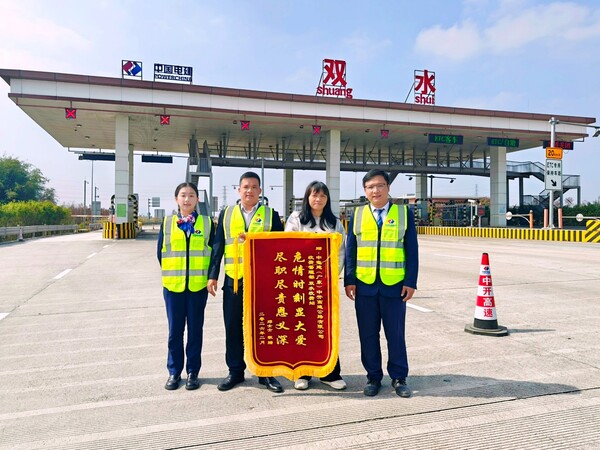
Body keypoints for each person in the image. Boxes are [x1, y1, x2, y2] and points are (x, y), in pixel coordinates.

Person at [207, 171, 285, 393]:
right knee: (233, 326)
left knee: (263, 327)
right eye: (245, 187)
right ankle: (235, 371)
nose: (249, 191)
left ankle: (265, 373)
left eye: (254, 187)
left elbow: (281, 247)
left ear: (260, 191)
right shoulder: (226, 214)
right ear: (238, 190)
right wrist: (213, 275)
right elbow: (218, 246)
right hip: (234, 281)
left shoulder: (271, 215)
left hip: (263, 283)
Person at [344, 169, 419, 398]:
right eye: (370, 187)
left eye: (379, 186)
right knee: (368, 335)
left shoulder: (404, 213)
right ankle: (373, 377)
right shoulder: (357, 215)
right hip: (364, 285)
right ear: (365, 191)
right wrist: (349, 280)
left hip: (394, 285)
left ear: (388, 187)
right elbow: (350, 250)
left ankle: (399, 377)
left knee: (395, 334)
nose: (375, 191)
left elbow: (412, 250)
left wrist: (410, 281)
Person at [284, 181, 347, 391]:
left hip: (326, 285)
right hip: (301, 284)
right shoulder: (296, 219)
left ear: (327, 199)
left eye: (322, 196)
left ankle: (330, 373)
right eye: (314, 195)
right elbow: (288, 246)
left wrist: (331, 275)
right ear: (307, 197)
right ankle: (302, 373)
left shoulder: (334, 223)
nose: (318, 199)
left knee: (326, 328)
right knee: (302, 327)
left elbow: (341, 252)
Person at [157, 182, 214, 391]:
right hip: (173, 287)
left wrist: (209, 277)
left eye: (191, 195)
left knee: (195, 331)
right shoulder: (168, 223)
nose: (187, 199)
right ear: (176, 199)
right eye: (183, 195)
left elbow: (213, 253)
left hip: (197, 287)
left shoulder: (207, 223)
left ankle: (192, 372)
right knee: (175, 332)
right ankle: (174, 372)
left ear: (197, 199)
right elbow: (160, 253)